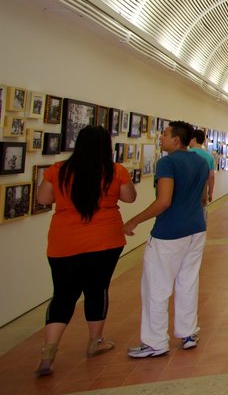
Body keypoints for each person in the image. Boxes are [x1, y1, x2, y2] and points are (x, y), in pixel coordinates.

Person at [33, 126, 137, 377]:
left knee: (62, 294)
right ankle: (95, 341)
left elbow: (44, 199)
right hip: (104, 240)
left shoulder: (58, 170)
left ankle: (49, 351)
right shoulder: (115, 171)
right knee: (97, 289)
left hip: (64, 241)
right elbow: (130, 197)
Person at [123, 120, 208, 358]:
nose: (161, 137)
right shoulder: (201, 162)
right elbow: (202, 197)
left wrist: (134, 220)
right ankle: (188, 332)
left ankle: (155, 341)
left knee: (156, 286)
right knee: (187, 281)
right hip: (196, 228)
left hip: (169, 232)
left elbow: (164, 201)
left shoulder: (167, 163)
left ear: (176, 140)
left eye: (165, 134)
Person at [188, 129, 216, 209]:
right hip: (202, 192)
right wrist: (210, 193)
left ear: (194, 139)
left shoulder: (186, 153)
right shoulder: (209, 157)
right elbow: (211, 177)